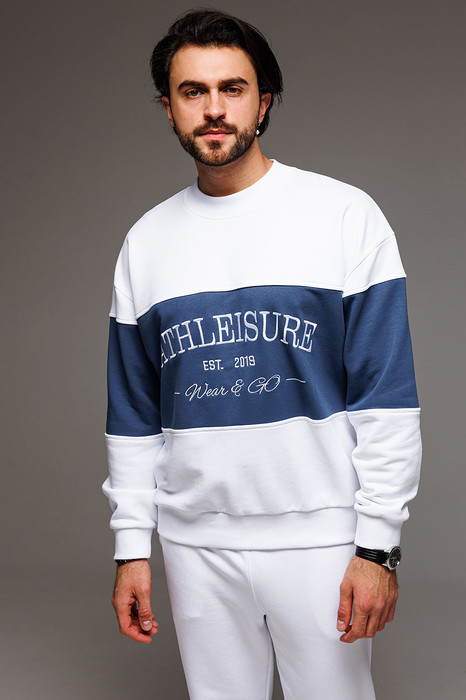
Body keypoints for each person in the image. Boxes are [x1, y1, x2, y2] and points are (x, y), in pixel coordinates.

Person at [102, 9, 421, 699]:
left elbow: (387, 398)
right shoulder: (146, 242)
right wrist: (132, 548)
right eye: (193, 91)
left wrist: (378, 547)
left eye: (233, 88)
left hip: (321, 539)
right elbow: (133, 416)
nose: (214, 109)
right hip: (194, 544)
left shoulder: (344, 216)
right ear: (168, 108)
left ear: (264, 100)